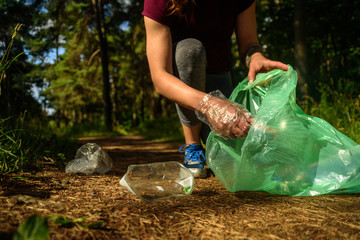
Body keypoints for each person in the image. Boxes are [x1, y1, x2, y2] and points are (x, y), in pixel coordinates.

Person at [142, 0, 288, 178]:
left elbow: (249, 43)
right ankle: (193, 145)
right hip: (184, 80)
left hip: (219, 74)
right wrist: (208, 105)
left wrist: (256, 57)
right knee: (190, 50)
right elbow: (160, 77)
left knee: (233, 158)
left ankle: (213, 145)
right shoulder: (158, 2)